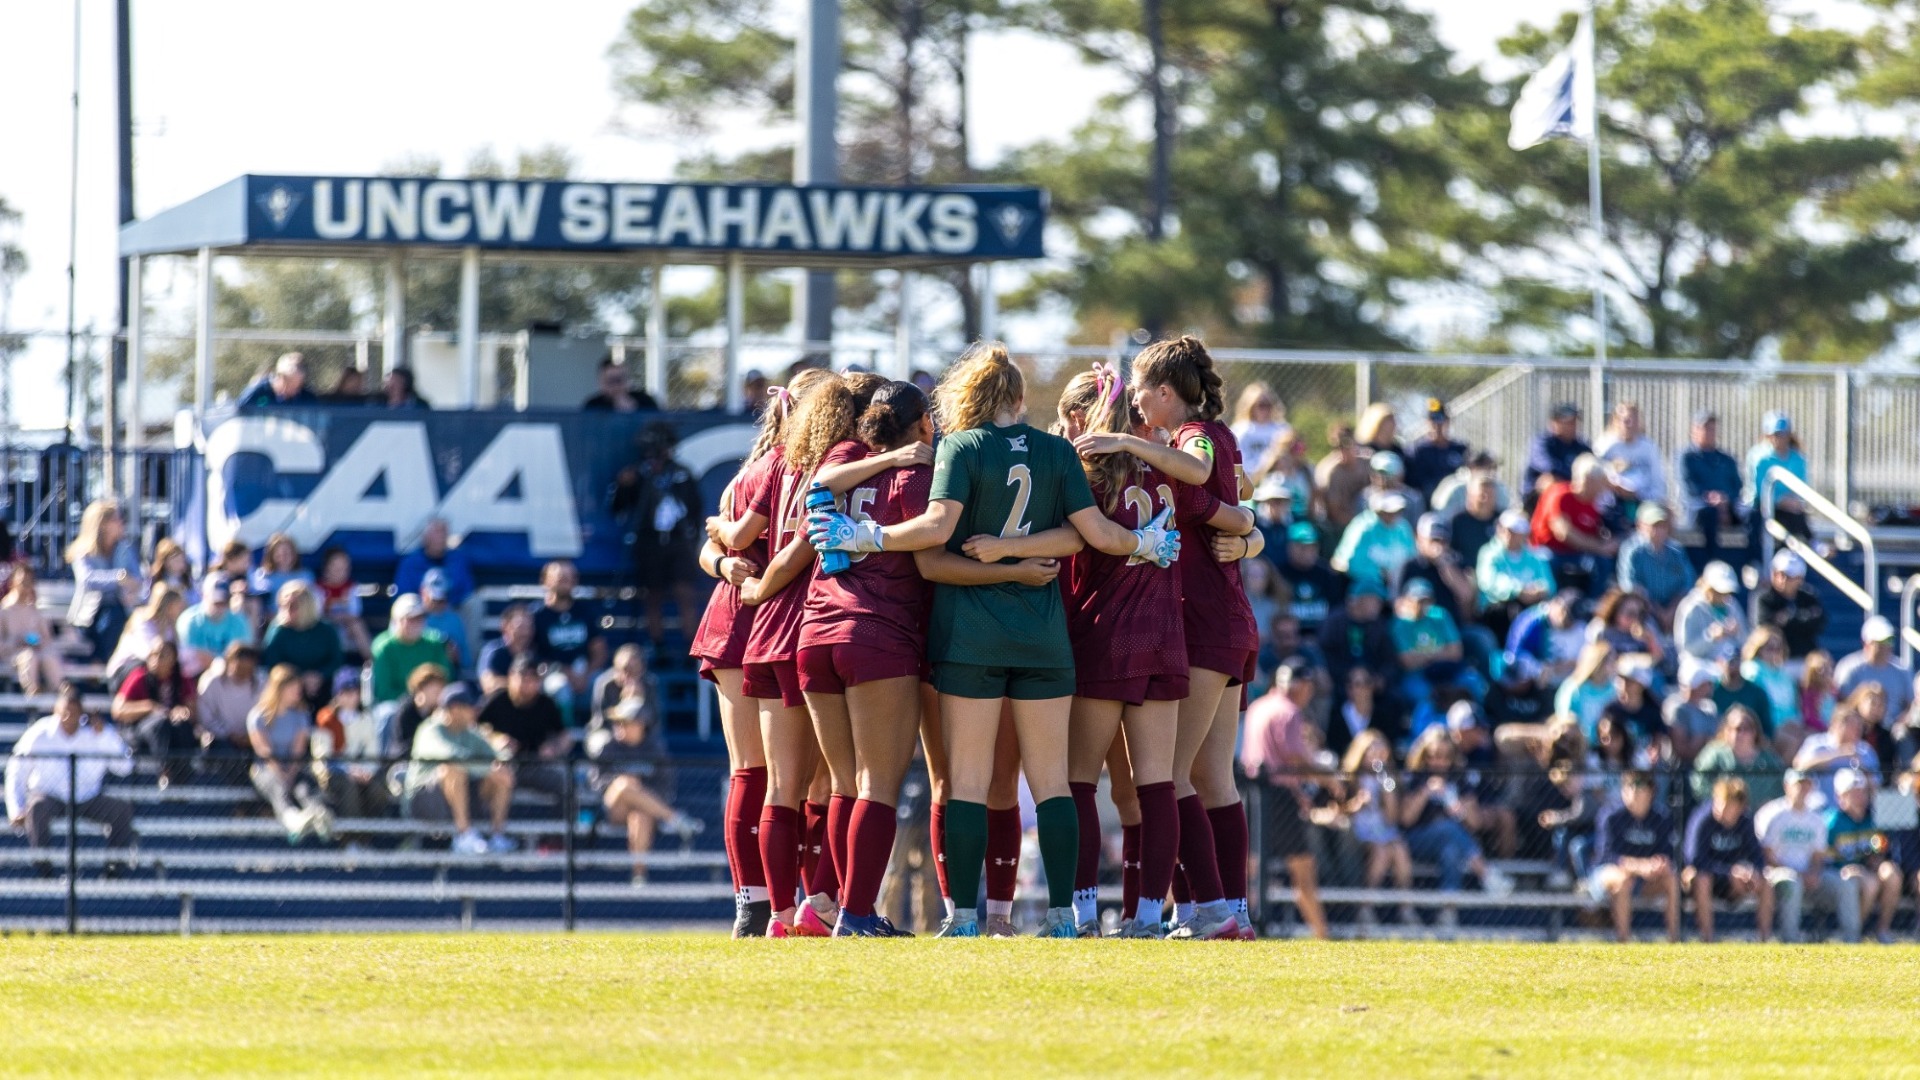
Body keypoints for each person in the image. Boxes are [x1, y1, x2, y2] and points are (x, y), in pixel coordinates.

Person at [811, 344, 1188, 938]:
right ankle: (1064, 917)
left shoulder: (958, 448)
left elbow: (936, 532)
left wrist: (868, 536)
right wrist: (1140, 545)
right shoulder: (1058, 449)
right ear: (1018, 398)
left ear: (967, 398)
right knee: (1051, 783)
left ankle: (963, 918)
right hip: (1042, 637)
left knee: (964, 780)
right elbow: (1086, 536)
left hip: (970, 636)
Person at [806, 377, 1084, 936]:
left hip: (821, 626)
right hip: (909, 634)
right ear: (927, 425)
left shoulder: (844, 458)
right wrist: (1012, 563)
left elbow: (820, 484)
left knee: (852, 785)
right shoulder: (926, 470)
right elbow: (1081, 535)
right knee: (989, 782)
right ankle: (1034, 916)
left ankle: (815, 907)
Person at [693, 367, 830, 937]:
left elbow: (723, 539)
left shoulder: (778, 466)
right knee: (767, 771)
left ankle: (785, 903)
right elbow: (724, 545)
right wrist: (726, 555)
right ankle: (768, 904)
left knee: (781, 773)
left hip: (767, 614)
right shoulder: (778, 467)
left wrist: (723, 545)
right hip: (754, 615)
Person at [1238, 659, 1332, 939]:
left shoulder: (1258, 707)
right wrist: (1329, 779)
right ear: (1302, 685)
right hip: (1280, 798)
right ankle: (1322, 936)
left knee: (1246, 868)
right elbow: (1295, 759)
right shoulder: (1289, 712)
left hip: (1251, 795)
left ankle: (1238, 925)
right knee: (1303, 871)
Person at [5, 684, 135, 876]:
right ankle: (44, 871)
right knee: (37, 807)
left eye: (73, 711)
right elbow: (16, 769)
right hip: (51, 798)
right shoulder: (39, 733)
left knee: (121, 810)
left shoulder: (97, 733)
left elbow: (125, 767)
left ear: (81, 711)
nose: (68, 716)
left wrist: (104, 736)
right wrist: (16, 808)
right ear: (55, 709)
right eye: (64, 711)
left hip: (88, 799)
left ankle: (113, 872)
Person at [1399, 728, 1514, 923]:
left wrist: (1457, 806)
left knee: (1451, 849)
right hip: (1415, 841)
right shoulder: (1415, 777)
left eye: (1445, 757)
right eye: (1433, 756)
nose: (1439, 762)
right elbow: (1406, 820)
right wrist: (1426, 792)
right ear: (1425, 756)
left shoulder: (1459, 779)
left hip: (1452, 843)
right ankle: (1486, 873)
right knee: (1447, 828)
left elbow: (1475, 823)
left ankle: (1448, 912)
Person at [611, 426, 703, 646]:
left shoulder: (682, 473)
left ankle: (692, 646)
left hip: (678, 540)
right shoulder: (637, 474)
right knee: (653, 594)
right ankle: (658, 645)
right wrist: (623, 487)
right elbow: (619, 507)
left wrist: (692, 536)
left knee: (685, 593)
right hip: (649, 541)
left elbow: (695, 507)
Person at [591, 699, 698, 885]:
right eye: (618, 722)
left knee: (640, 816)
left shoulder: (655, 749)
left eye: (626, 722)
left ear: (640, 724)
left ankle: (638, 874)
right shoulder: (608, 747)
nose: (620, 726)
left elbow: (665, 786)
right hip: (613, 807)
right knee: (625, 784)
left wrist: (640, 791)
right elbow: (596, 782)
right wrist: (625, 783)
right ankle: (676, 819)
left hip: (647, 810)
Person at [404, 683, 516, 855]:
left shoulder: (470, 732)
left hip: (460, 797)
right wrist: (488, 768)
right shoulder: (429, 729)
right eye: (470, 708)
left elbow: (495, 756)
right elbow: (451, 756)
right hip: (424, 802)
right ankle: (464, 836)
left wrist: (501, 760)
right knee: (453, 768)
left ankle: (497, 836)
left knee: (501, 774)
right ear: (455, 709)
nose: (475, 712)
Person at [1756, 768, 1857, 943]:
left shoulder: (1816, 819)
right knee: (1792, 882)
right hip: (1779, 873)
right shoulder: (1775, 815)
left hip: (1809, 874)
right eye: (1798, 785)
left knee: (1846, 884)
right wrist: (1799, 874)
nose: (1803, 789)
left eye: (1806, 785)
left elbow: (1818, 856)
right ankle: (1790, 939)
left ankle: (1852, 941)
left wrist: (1814, 873)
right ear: (1787, 786)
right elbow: (1768, 857)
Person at [1590, 769, 1680, 943]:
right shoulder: (1610, 815)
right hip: (1607, 875)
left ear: (1651, 792)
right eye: (1628, 787)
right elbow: (1606, 856)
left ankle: (1674, 940)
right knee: (1623, 880)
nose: (1633, 792)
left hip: (1645, 879)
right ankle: (1624, 941)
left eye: (1639, 787)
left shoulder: (1661, 817)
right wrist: (1639, 866)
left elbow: (1667, 853)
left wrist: (1658, 864)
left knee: (1671, 878)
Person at [247, 663, 333, 842]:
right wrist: (281, 775)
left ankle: (319, 814)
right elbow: (264, 751)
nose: (298, 692)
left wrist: (290, 774)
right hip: (265, 770)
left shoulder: (301, 715)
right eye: (293, 687)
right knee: (277, 788)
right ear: (280, 688)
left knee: (304, 788)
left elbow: (298, 751)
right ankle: (293, 820)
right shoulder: (257, 716)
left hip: (294, 769)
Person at [1681, 777, 1773, 942]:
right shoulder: (1702, 819)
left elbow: (1758, 857)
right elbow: (1694, 859)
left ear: (1740, 807)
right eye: (1720, 803)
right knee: (1701, 879)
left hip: (1735, 880)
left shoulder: (1745, 821)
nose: (1723, 810)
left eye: (1730, 806)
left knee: (1765, 881)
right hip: (1709, 876)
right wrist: (1729, 873)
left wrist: (1752, 872)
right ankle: (1707, 938)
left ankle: (1764, 939)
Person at [1340, 729, 1416, 926]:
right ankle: (1366, 907)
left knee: (1399, 849)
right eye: (1371, 751)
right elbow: (1342, 810)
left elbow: (1392, 819)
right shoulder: (1350, 778)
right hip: (1359, 832)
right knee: (1382, 852)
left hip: (1384, 830)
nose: (1376, 756)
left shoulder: (1389, 779)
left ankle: (1405, 907)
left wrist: (1388, 793)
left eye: (1380, 751)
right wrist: (1358, 802)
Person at [476, 656, 573, 802]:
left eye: (531, 678)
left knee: (565, 780)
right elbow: (473, 728)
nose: (525, 683)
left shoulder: (546, 704)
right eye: (521, 677)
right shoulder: (497, 700)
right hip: (502, 764)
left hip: (536, 764)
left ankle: (562, 822)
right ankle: (488, 823)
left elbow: (565, 736)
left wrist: (554, 748)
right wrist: (495, 739)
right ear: (510, 677)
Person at [1826, 767, 1903, 944]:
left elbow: (1881, 849)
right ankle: (1854, 934)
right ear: (1840, 797)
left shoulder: (1876, 818)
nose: (1859, 797)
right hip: (1839, 873)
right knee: (1870, 883)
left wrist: (1877, 860)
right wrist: (1845, 868)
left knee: (1891, 874)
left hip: (1867, 870)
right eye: (1853, 793)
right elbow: (1826, 861)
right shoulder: (1831, 822)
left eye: (1862, 792)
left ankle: (1882, 930)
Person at [110, 639, 197, 787]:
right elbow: (117, 710)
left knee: (183, 725)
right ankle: (164, 772)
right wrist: (150, 707)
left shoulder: (181, 679)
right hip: (141, 730)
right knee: (159, 723)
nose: (156, 659)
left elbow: (192, 710)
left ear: (174, 658)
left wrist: (182, 711)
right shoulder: (139, 677)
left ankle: (184, 776)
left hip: (172, 728)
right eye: (153, 655)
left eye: (163, 655)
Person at [1389, 579, 1470, 739]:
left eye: (1427, 600)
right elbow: (1408, 661)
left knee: (1471, 683)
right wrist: (1440, 652)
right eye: (1418, 600)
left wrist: (1425, 656)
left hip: (1447, 671)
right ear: (1407, 600)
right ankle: (1422, 737)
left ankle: (1468, 733)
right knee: (1423, 695)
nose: (1423, 605)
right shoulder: (1400, 624)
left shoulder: (1441, 615)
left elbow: (1456, 652)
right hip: (1417, 675)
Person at [65, 499, 141, 662]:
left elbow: (136, 579)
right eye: (116, 519)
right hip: (89, 616)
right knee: (112, 617)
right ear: (103, 524)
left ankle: (103, 663)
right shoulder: (83, 551)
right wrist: (118, 578)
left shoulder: (125, 549)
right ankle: (103, 663)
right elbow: (88, 579)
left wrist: (130, 585)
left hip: (122, 609)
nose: (122, 523)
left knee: (119, 616)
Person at [1530, 453, 1616, 592]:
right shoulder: (1559, 495)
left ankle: (1591, 604)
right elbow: (1563, 533)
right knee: (1546, 561)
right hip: (1549, 551)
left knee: (1602, 563)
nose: (1604, 488)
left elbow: (1596, 532)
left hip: (1576, 553)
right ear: (1589, 480)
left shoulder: (1594, 504)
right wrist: (1600, 547)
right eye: (1601, 482)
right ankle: (1553, 605)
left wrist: (1610, 543)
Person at [313, 668, 390, 821]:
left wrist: (366, 771)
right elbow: (323, 756)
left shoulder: (366, 719)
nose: (351, 697)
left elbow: (372, 752)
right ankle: (352, 837)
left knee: (377, 789)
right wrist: (348, 770)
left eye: (355, 692)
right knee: (350, 788)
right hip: (332, 773)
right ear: (337, 694)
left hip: (362, 770)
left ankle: (371, 833)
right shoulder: (327, 719)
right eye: (346, 692)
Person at [530, 560, 605, 706]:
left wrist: (586, 673)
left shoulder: (585, 611)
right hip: (551, 674)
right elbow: (530, 655)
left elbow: (599, 650)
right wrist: (562, 671)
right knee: (559, 686)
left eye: (570, 578)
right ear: (545, 581)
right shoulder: (536, 615)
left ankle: (603, 726)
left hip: (585, 672)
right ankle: (565, 728)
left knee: (605, 682)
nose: (565, 582)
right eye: (560, 578)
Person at [259, 582, 345, 707]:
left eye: (293, 606)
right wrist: (300, 678)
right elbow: (272, 663)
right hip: (287, 688)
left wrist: (320, 675)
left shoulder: (326, 630)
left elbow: (336, 660)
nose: (287, 611)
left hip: (323, 686)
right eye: (283, 605)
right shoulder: (278, 630)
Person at [1678, 409, 1744, 565]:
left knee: (1755, 516)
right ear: (1693, 430)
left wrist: (1725, 501)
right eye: (1704, 428)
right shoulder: (1687, 457)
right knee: (1710, 513)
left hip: (1727, 508)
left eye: (1712, 428)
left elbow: (1737, 486)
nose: (1709, 432)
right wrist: (1711, 499)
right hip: (1699, 509)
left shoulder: (1726, 459)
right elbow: (1689, 488)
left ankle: (1755, 562)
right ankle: (1713, 562)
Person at [1615, 504, 1693, 632]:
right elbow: (1630, 586)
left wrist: (1671, 611)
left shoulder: (1676, 551)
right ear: (1641, 526)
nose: (1658, 530)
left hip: (1674, 611)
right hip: (1645, 612)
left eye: (1662, 526)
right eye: (1654, 526)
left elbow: (1687, 584)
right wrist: (1658, 612)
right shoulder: (1632, 550)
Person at [1690, 707, 1786, 808]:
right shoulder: (1714, 755)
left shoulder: (1768, 760)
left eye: (1746, 728)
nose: (1740, 734)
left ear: (1755, 732)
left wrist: (1771, 806)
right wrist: (1719, 802)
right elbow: (1699, 781)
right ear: (1726, 730)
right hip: (1721, 819)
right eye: (1736, 729)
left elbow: (1781, 786)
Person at [196, 642, 263, 780]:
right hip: (221, 740)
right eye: (239, 668)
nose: (244, 673)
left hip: (254, 739)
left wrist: (252, 736)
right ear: (229, 662)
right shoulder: (211, 682)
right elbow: (206, 718)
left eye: (248, 669)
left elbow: (268, 713)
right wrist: (228, 734)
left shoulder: (263, 682)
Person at [1674, 562, 1747, 687]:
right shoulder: (1691, 607)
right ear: (1708, 587)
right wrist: (1711, 637)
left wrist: (1737, 633)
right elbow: (1687, 649)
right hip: (1700, 663)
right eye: (1719, 591)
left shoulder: (1732, 605)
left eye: (1727, 592)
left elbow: (1745, 640)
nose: (1724, 596)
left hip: (1730, 662)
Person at [1743, 410, 1812, 543]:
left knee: (1795, 516)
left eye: (1783, 434)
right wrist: (1779, 501)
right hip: (1760, 507)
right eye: (1776, 434)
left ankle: (1809, 545)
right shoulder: (1759, 457)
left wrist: (1793, 501)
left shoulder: (1797, 459)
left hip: (1789, 509)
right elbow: (1756, 491)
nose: (1780, 438)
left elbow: (1802, 487)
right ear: (1768, 435)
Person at [370, 594, 451, 706]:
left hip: (433, 703)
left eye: (419, 618)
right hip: (397, 705)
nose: (416, 623)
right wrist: (415, 701)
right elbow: (384, 692)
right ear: (397, 621)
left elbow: (446, 679)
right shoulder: (384, 648)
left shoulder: (435, 644)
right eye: (410, 619)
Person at [1332, 488, 1416, 595]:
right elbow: (1348, 563)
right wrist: (1380, 575)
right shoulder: (1363, 527)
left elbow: (1412, 557)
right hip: (1365, 586)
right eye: (1388, 512)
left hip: (1398, 586)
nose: (1393, 515)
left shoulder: (1403, 527)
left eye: (1398, 511)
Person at [1834, 617, 1912, 730]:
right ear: (1867, 643)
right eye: (1881, 642)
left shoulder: (1902, 670)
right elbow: (1842, 703)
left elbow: (1909, 705)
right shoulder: (1849, 667)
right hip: (1858, 728)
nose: (1887, 645)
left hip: (1894, 730)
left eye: (1890, 640)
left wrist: (1901, 722)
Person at [1793, 705, 1880, 806]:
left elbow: (1876, 786)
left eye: (1860, 726)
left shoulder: (1865, 751)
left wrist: (1863, 770)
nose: (1858, 730)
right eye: (1852, 725)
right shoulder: (1816, 743)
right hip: (1820, 809)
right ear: (1837, 725)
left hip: (1855, 814)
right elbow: (1799, 766)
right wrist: (1839, 754)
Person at [106, 584, 186, 688]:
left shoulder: (170, 627)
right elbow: (150, 652)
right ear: (169, 606)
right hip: (125, 671)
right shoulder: (142, 620)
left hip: (154, 672)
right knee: (153, 664)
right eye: (178, 606)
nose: (181, 609)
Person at [1754, 552, 1826, 668]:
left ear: (1800, 579)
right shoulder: (1765, 598)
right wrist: (1803, 619)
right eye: (1779, 574)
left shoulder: (1809, 597)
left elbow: (1820, 622)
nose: (1782, 579)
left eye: (1788, 576)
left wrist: (1788, 619)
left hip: (1804, 658)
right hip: (1774, 662)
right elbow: (1765, 625)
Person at [176, 573, 251, 681]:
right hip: (197, 677)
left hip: (232, 676)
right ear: (204, 596)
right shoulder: (189, 621)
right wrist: (219, 665)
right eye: (216, 602)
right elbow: (195, 657)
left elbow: (243, 656)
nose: (220, 606)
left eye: (223, 602)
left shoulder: (240, 622)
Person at [1275, 520, 1342, 638]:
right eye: (1302, 547)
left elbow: (1335, 609)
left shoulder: (1326, 573)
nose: (1308, 552)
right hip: (1288, 640)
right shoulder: (1280, 573)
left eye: (1312, 547)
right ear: (1290, 547)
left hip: (1321, 638)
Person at [1593, 401, 1666, 508]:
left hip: (1644, 502)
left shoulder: (1649, 447)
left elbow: (1658, 482)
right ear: (1616, 422)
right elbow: (1596, 478)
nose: (1630, 425)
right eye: (1626, 421)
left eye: (1634, 420)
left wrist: (1639, 495)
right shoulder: (1604, 446)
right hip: (1612, 503)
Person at [0, 569, 62, 695]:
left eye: (29, 582)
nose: (26, 586)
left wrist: (37, 642)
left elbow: (47, 639)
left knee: (49, 656)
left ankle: (59, 689)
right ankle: (32, 690)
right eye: (23, 582)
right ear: (13, 583)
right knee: (29, 656)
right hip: (12, 655)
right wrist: (17, 641)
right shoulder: (3, 611)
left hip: (36, 650)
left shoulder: (35, 610)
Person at [393, 518, 476, 608]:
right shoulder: (411, 563)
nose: (440, 537)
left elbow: (467, 590)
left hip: (452, 608)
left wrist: (445, 603)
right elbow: (403, 593)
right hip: (420, 611)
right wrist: (426, 603)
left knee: (474, 602)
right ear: (425, 537)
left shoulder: (458, 560)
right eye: (436, 533)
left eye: (443, 532)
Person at [314, 547, 373, 661]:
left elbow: (355, 613)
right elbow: (316, 614)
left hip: (346, 629)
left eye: (344, 568)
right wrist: (334, 617)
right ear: (326, 568)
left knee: (357, 625)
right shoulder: (317, 588)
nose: (341, 572)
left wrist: (339, 617)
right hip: (324, 628)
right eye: (336, 568)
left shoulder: (351, 587)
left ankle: (371, 662)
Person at [1404, 398, 1468, 501]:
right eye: (1433, 418)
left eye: (1441, 418)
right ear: (1427, 421)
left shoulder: (1459, 449)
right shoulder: (1416, 451)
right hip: (1426, 502)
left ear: (1448, 421)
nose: (1437, 424)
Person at [1312, 423, 1372, 532]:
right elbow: (1334, 512)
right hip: (1337, 525)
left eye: (1346, 444)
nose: (1342, 450)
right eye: (1337, 446)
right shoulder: (1331, 471)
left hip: (1365, 518)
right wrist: (1358, 525)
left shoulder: (1367, 463)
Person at [1523, 402, 1591, 496]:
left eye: (1574, 422)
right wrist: (1575, 476)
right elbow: (1548, 466)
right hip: (1536, 499)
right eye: (1567, 423)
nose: (1573, 426)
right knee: (1550, 480)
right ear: (1554, 423)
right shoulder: (1543, 442)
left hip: (1574, 490)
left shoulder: (1581, 446)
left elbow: (1593, 464)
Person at [1229, 381, 1289, 476]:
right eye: (1261, 405)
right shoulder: (1240, 430)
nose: (1265, 409)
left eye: (1269, 405)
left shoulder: (1282, 429)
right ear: (1251, 406)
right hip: (1248, 478)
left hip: (1277, 478)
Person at [1664, 667, 1722, 765]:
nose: (1710, 687)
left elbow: (1718, 739)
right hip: (1681, 771)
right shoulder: (1679, 709)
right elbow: (1680, 748)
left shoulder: (1710, 708)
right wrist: (1703, 741)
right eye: (1707, 683)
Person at [478, 603, 537, 697]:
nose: (526, 632)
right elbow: (489, 684)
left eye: (529, 627)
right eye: (520, 627)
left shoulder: (534, 652)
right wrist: (519, 685)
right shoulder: (494, 651)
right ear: (505, 626)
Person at [250, 533, 314, 619]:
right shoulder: (262, 576)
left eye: (287, 553)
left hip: (301, 620)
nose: (284, 557)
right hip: (271, 621)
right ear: (272, 555)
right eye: (280, 553)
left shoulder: (305, 575)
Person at [1444, 472, 1502, 565]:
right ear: (1470, 496)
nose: (1486, 500)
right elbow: (1448, 553)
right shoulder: (1458, 521)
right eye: (1482, 496)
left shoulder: (1502, 521)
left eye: (1490, 496)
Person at [419, 569, 467, 675]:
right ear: (423, 592)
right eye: (434, 599)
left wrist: (455, 656)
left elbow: (465, 661)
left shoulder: (454, 620)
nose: (438, 604)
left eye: (441, 600)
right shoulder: (410, 617)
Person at [236, 352, 316, 409]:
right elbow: (240, 408)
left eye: (298, 386)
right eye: (289, 383)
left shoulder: (306, 397)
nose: (294, 391)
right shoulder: (259, 391)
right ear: (279, 377)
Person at [582, 357, 660, 412]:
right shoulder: (593, 406)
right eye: (610, 381)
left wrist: (633, 410)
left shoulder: (645, 401)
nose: (616, 386)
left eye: (619, 380)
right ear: (601, 383)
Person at [1355, 402, 1405, 475]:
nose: (1392, 424)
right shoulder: (1364, 449)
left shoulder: (1397, 451)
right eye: (1387, 420)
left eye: (1392, 420)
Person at [145, 538, 198, 606]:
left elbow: (195, 600)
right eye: (177, 560)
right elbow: (148, 601)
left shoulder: (187, 579)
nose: (181, 563)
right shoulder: (155, 580)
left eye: (182, 560)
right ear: (166, 562)